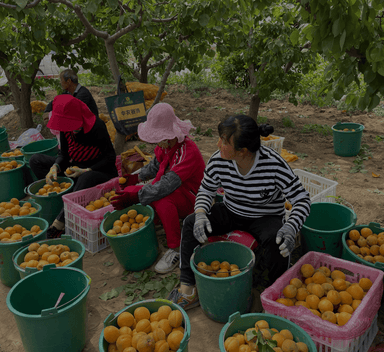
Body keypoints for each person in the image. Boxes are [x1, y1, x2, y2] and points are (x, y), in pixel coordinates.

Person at [167, 115, 311, 310]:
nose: (218, 144)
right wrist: (201, 212)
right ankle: (187, 289)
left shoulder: (274, 165)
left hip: (265, 217)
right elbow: (207, 190)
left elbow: (301, 198)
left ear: (242, 151)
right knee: (192, 222)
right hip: (231, 210)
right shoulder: (219, 160)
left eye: (224, 141)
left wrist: (290, 227)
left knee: (278, 241)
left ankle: (275, 294)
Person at [110, 103, 206, 274]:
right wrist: (134, 178)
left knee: (159, 197)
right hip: (175, 192)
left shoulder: (187, 152)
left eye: (159, 138)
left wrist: (136, 196)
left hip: (193, 200)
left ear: (170, 135)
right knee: (132, 191)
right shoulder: (166, 146)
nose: (157, 143)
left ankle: (175, 248)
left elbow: (166, 185)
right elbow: (155, 166)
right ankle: (155, 222)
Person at [29, 94, 118, 238]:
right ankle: (63, 200)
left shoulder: (97, 126)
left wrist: (86, 170)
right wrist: (55, 167)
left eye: (73, 125)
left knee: (86, 178)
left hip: (99, 171)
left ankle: (60, 222)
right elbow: (63, 154)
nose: (70, 129)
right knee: (35, 160)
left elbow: (110, 157)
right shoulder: (65, 128)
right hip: (75, 168)